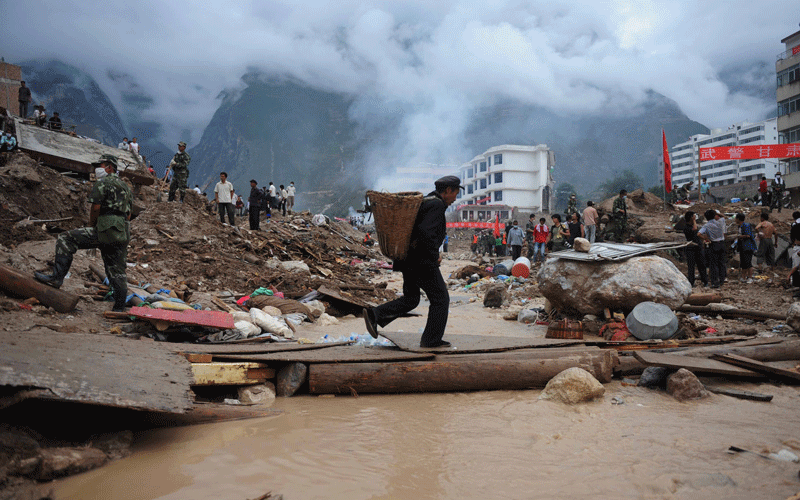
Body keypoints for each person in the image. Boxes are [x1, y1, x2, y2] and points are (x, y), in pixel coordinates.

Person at [362, 175, 462, 348]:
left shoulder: (425, 200)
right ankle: (431, 340)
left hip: (408, 259)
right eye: (455, 193)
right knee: (441, 299)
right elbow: (425, 233)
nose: (455, 198)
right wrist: (434, 255)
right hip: (421, 261)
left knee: (412, 298)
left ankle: (374, 315)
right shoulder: (436, 205)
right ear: (447, 191)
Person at [34, 154, 132, 312]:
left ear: (109, 167)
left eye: (99, 166)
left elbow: (95, 208)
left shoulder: (103, 183)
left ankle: (56, 278)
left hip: (104, 228)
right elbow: (128, 214)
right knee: (116, 268)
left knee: (66, 238)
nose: (96, 169)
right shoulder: (126, 187)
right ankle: (119, 306)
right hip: (122, 232)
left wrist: (93, 225)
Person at [698, 209, 727, 289]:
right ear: (715, 215)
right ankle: (722, 279)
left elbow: (699, 234)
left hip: (713, 244)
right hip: (721, 243)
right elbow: (723, 216)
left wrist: (705, 238)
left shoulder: (707, 225)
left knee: (713, 264)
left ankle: (715, 282)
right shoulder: (720, 222)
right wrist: (716, 213)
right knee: (721, 263)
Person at [683, 211, 708, 287]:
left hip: (698, 247)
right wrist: (694, 220)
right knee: (691, 266)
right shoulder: (687, 227)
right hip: (691, 248)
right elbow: (695, 229)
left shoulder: (692, 226)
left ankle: (705, 281)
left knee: (702, 265)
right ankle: (691, 282)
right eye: (694, 216)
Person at [734, 213, 757, 283]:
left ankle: (750, 277)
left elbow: (748, 235)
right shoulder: (740, 226)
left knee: (748, 262)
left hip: (748, 247)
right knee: (743, 263)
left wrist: (740, 236)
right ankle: (743, 277)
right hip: (742, 247)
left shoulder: (746, 226)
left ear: (738, 219)